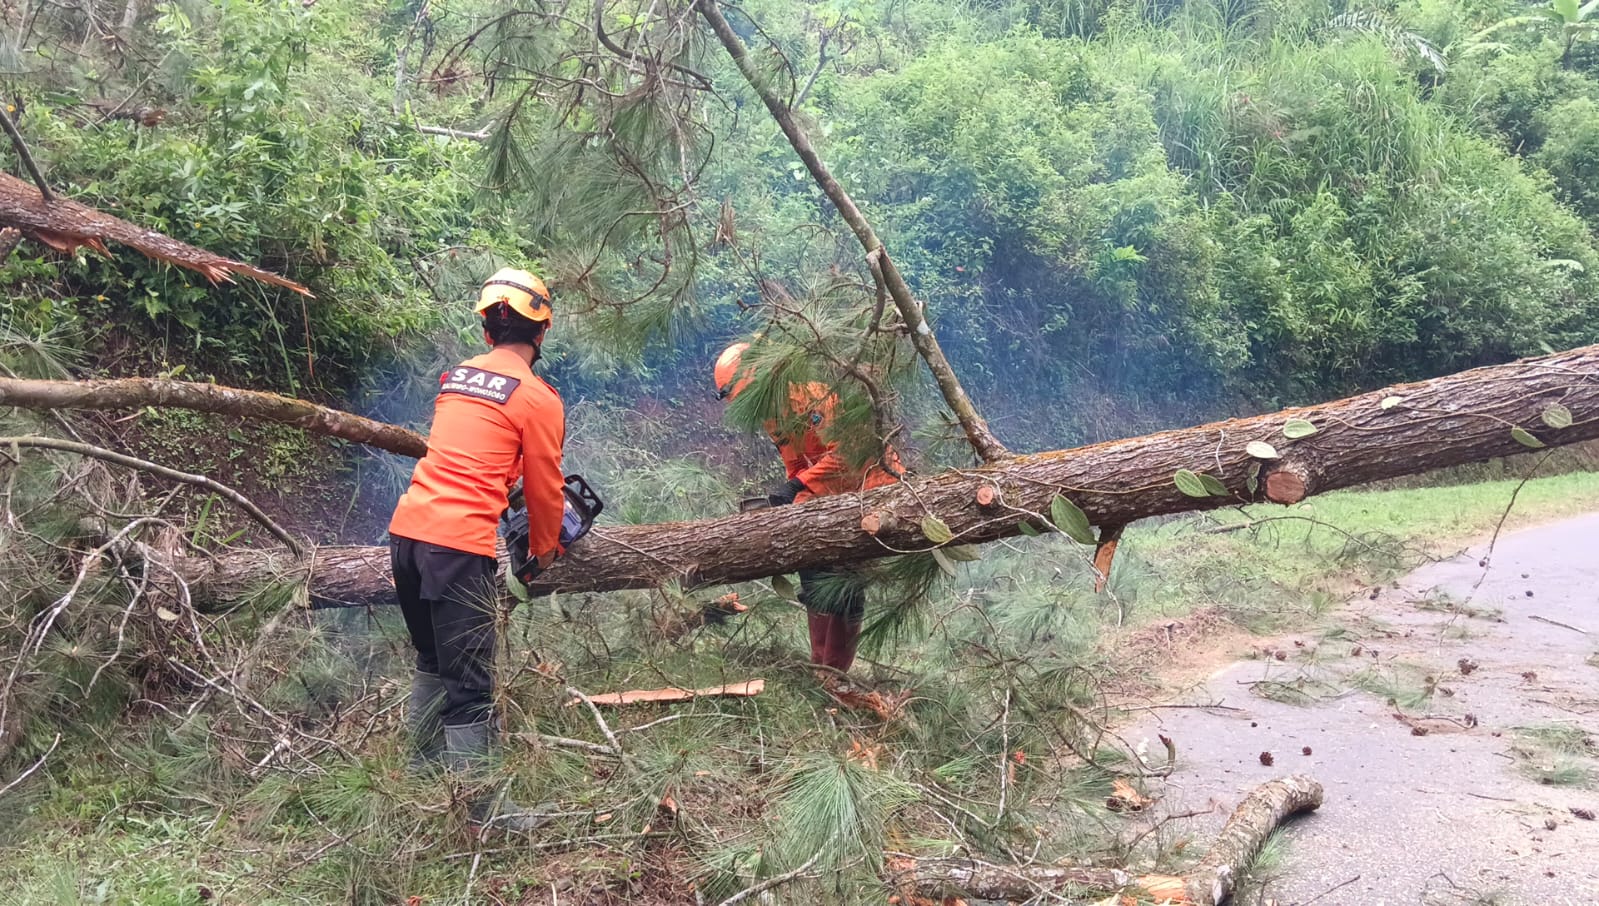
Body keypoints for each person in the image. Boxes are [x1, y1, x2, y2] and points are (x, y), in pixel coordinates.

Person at [388, 267, 565, 833]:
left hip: (407, 536)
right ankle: (487, 815)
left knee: (433, 662)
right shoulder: (538, 397)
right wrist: (542, 552)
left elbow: (470, 453)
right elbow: (545, 487)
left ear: (488, 329)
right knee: (471, 687)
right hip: (457, 547)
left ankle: (415, 782)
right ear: (542, 330)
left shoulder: (457, 378)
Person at [713, 341, 903, 679]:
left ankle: (836, 672)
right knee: (812, 569)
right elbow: (796, 461)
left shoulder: (812, 394)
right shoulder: (772, 414)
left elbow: (847, 453)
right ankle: (820, 666)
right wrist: (789, 501)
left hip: (871, 485)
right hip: (828, 490)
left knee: (845, 584)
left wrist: (799, 487)